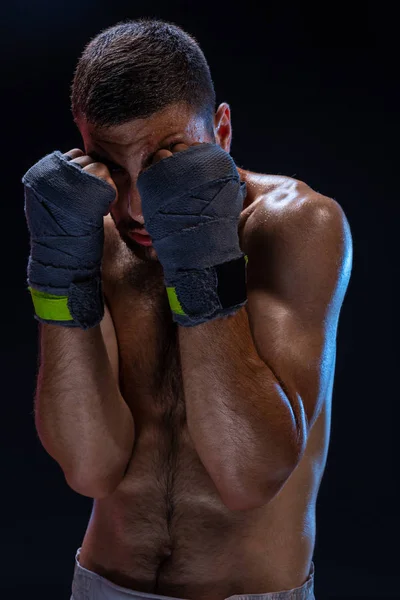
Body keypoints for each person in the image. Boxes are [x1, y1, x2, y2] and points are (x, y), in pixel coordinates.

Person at [22, 18, 352, 600]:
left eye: (166, 160)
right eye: (110, 166)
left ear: (221, 131)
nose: (136, 208)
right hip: (102, 584)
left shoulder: (295, 224)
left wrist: (198, 251)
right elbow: (90, 469)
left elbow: (248, 476)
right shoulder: (88, 232)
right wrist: (58, 271)